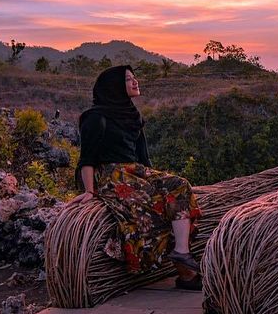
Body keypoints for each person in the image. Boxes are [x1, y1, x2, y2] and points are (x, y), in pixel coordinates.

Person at [70, 65, 202, 290]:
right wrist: (90, 191)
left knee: (179, 185)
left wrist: (156, 181)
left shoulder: (133, 116)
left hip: (136, 172)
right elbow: (87, 160)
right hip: (111, 176)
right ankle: (186, 275)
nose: (135, 82)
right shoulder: (95, 118)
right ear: (114, 88)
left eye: (134, 77)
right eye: (128, 79)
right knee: (151, 209)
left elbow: (144, 159)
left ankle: (182, 252)